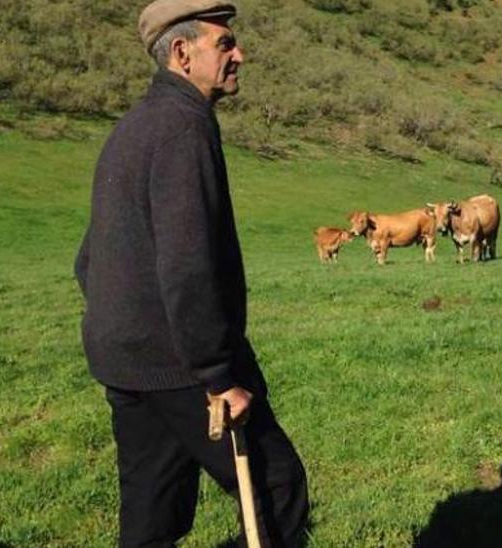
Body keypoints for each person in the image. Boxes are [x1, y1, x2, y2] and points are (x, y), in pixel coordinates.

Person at [74, 1, 308, 545]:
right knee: (276, 487)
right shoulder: (183, 129)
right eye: (224, 44)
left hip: (127, 362)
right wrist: (219, 376)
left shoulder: (132, 128)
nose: (240, 55)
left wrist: (126, 327)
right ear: (182, 53)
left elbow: (89, 258)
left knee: (152, 519)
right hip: (183, 366)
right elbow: (188, 266)